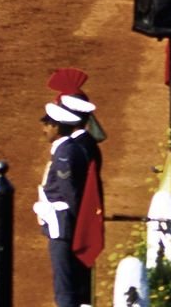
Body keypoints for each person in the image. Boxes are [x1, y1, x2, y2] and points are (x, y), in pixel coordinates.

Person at [34, 99, 104, 307]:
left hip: (63, 225)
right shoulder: (69, 148)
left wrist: (77, 224)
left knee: (64, 285)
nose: (44, 128)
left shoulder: (65, 152)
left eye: (47, 124)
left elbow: (69, 192)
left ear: (57, 127)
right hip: (65, 223)